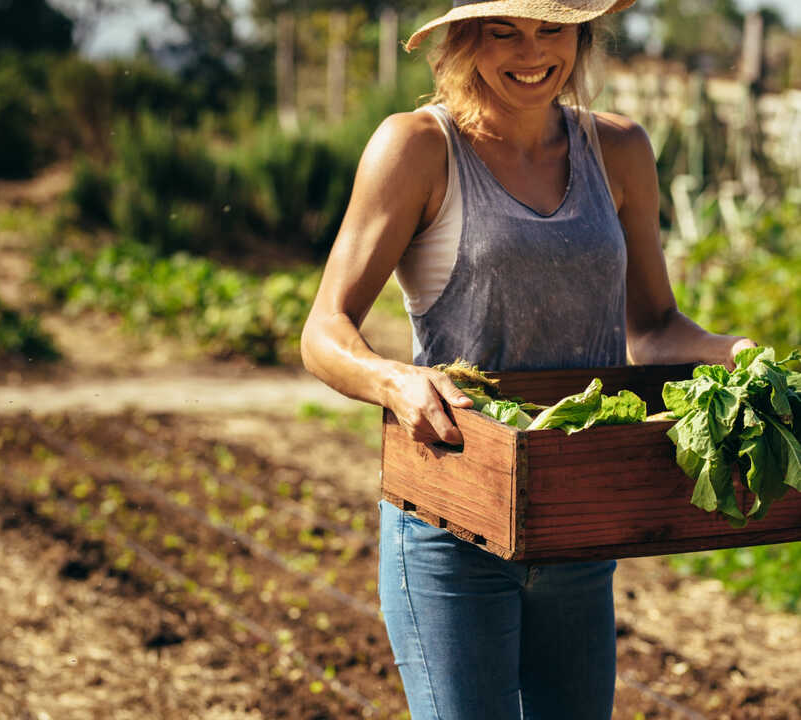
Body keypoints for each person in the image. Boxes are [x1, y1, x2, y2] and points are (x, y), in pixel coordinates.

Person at [300, 1, 756, 717]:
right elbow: (324, 331)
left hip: (576, 515)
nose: (532, 52)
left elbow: (656, 326)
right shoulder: (418, 148)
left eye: (552, 28)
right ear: (463, 38)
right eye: (504, 30)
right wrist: (395, 380)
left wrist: (741, 354)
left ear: (581, 34)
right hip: (452, 519)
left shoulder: (620, 149)